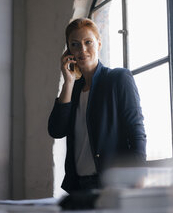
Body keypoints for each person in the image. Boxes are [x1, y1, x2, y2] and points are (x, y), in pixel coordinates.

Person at [48, 18, 146, 193]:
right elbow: (56, 130)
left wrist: (138, 176)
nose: (82, 50)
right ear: (69, 51)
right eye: (75, 44)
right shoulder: (73, 90)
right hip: (78, 187)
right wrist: (68, 82)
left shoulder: (118, 79)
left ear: (99, 44)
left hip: (113, 185)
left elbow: (136, 130)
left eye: (88, 42)